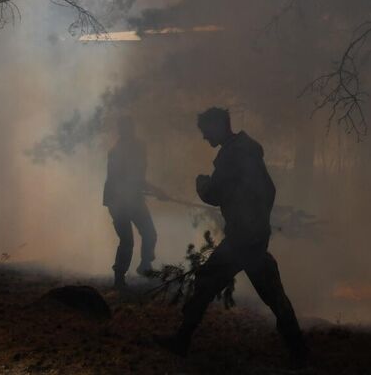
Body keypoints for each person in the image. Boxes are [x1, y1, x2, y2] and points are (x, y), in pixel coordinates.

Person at [155, 107, 308, 365]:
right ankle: (299, 352)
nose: (204, 137)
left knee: (206, 283)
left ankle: (181, 341)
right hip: (254, 237)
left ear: (218, 126)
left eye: (206, 132)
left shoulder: (232, 155)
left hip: (241, 240)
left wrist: (201, 183)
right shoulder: (247, 151)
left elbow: (213, 193)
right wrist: (258, 223)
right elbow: (269, 191)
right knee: (272, 293)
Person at [104, 116, 159, 288]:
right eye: (125, 128)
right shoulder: (116, 152)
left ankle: (145, 266)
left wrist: (154, 190)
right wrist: (154, 190)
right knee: (127, 240)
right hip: (117, 201)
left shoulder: (139, 148)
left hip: (133, 199)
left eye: (130, 128)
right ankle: (119, 278)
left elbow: (138, 178)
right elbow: (122, 180)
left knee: (150, 233)